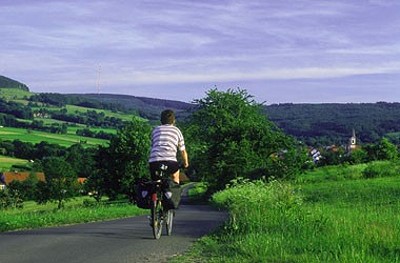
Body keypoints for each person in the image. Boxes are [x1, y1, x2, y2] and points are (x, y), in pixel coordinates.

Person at [149, 109, 189, 184]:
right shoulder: (177, 131)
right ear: (174, 121)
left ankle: (155, 193)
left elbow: (152, 146)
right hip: (170, 162)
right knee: (175, 176)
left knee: (156, 182)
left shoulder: (155, 130)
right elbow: (183, 151)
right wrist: (186, 163)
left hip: (154, 161)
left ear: (161, 121)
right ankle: (175, 193)